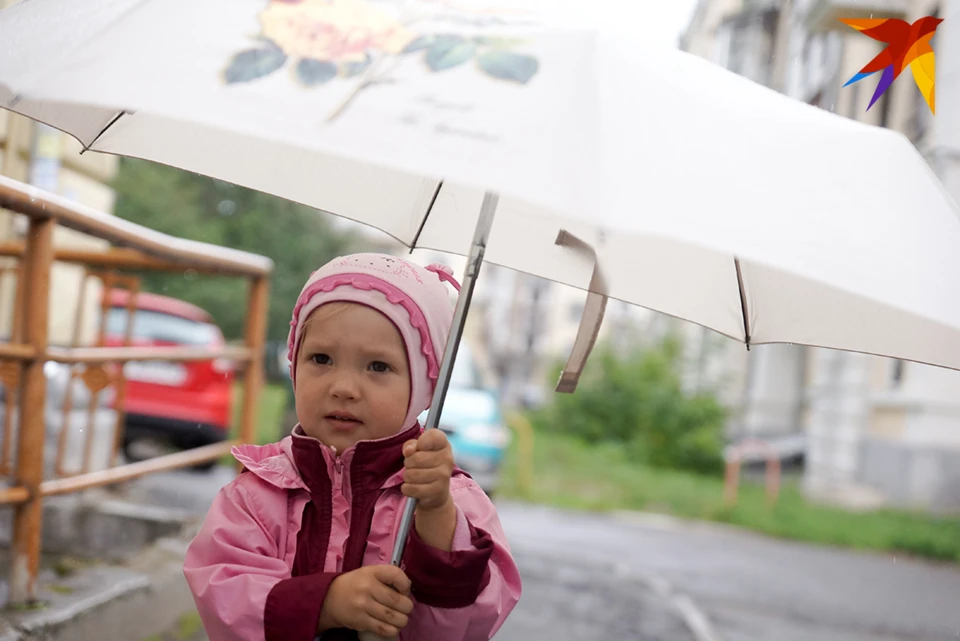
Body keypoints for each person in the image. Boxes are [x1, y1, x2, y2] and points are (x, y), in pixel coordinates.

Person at [183, 253, 522, 641]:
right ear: (294, 364)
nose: (343, 387)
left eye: (378, 366)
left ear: (424, 386)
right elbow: (222, 593)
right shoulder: (258, 493)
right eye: (321, 358)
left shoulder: (450, 498)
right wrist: (325, 604)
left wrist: (436, 515)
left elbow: (469, 623)